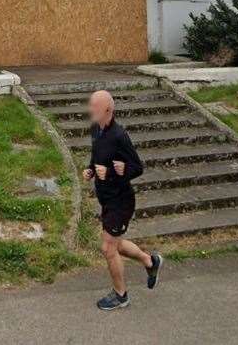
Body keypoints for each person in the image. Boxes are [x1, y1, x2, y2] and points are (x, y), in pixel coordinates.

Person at [83, 89, 163, 310]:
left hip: (121, 201)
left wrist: (114, 172)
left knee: (108, 248)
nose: (90, 109)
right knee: (116, 244)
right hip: (107, 199)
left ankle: (121, 295)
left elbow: (137, 168)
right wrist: (90, 170)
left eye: (94, 106)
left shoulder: (119, 136)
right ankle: (150, 261)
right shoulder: (95, 130)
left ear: (107, 109)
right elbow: (97, 158)